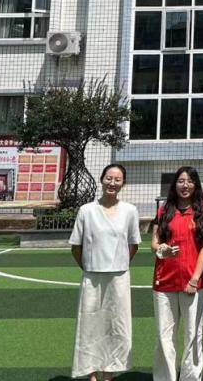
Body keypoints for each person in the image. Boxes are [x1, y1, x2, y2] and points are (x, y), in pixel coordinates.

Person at [68, 163, 141, 381]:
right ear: (101, 179)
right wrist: (89, 266)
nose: (112, 183)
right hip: (92, 277)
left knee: (115, 326)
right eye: (109, 178)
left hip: (119, 278)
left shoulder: (130, 211)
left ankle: (109, 374)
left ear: (123, 184)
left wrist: (119, 263)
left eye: (117, 179)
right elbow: (76, 247)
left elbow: (133, 244)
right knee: (89, 325)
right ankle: (91, 374)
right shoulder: (86, 210)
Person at [150, 166, 203, 381]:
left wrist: (194, 279)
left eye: (190, 181)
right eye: (181, 181)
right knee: (164, 336)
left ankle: (190, 378)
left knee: (193, 335)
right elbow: (154, 243)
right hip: (164, 282)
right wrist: (162, 249)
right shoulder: (163, 211)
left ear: (196, 185)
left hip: (193, 284)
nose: (185, 185)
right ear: (174, 184)